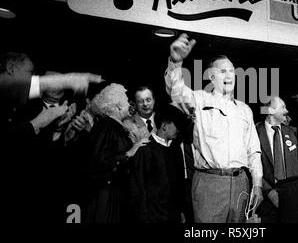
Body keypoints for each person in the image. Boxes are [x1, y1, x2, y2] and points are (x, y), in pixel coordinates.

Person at [164, 33, 263, 223]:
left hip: (241, 182)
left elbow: (254, 150)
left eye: (231, 71)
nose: (228, 75)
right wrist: (175, 64)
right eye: (222, 71)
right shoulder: (199, 100)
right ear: (211, 76)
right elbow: (176, 93)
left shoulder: (244, 110)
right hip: (210, 183)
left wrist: (257, 184)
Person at [0, 52, 102, 222]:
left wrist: (62, 131)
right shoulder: (22, 107)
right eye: (30, 74)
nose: (33, 79)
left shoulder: (76, 109)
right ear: (11, 69)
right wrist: (39, 122)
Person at [83, 83, 148, 223]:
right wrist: (129, 153)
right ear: (118, 106)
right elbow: (98, 160)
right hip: (107, 194)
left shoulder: (114, 125)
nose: (129, 103)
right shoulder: (107, 126)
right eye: (125, 100)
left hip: (115, 190)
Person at [129, 104, 186, 223]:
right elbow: (138, 190)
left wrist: (180, 211)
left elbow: (179, 185)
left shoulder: (176, 150)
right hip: (152, 217)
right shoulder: (145, 149)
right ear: (164, 126)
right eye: (176, 125)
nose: (179, 130)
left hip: (173, 216)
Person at [256, 96, 298, 223]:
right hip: (267, 202)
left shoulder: (294, 132)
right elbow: (251, 166)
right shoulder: (255, 132)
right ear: (271, 111)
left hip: (293, 201)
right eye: (283, 107)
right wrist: (269, 192)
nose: (287, 111)